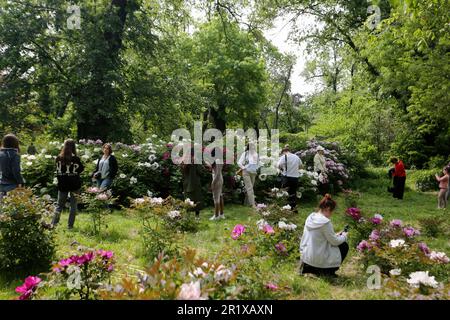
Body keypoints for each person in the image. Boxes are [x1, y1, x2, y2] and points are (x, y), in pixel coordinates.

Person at [299, 194, 349, 277]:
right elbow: (334, 242)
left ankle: (309, 269)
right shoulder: (325, 222)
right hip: (317, 259)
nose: (331, 214)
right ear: (328, 209)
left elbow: (319, 236)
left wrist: (335, 234)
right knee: (344, 246)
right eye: (332, 211)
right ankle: (328, 272)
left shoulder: (311, 217)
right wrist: (344, 236)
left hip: (306, 256)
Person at [53, 139, 84, 229]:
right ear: (73, 147)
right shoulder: (76, 159)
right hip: (74, 185)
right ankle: (70, 226)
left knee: (59, 206)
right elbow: (81, 169)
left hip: (62, 185)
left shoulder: (59, 158)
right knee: (73, 206)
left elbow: (57, 170)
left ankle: (54, 224)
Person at [278, 145, 302, 213]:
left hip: (287, 177)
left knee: (285, 193)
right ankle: (294, 209)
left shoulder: (284, 156)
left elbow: (278, 165)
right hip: (295, 177)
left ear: (284, 152)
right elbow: (301, 166)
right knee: (293, 193)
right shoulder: (296, 157)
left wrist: (283, 169)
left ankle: (286, 208)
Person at [0, 134, 25, 200]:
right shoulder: (15, 155)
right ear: (15, 143)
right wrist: (21, 182)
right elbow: (16, 171)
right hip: (11, 185)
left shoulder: (1, 154)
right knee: (12, 206)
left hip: (1, 183)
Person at [181, 149, 203, 218]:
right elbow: (200, 172)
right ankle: (193, 215)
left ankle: (192, 215)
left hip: (191, 183)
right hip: (192, 183)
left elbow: (200, 172)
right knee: (192, 199)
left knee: (192, 199)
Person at [237, 143, 259, 207]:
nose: (252, 148)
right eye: (251, 146)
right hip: (246, 172)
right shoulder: (245, 153)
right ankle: (253, 205)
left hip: (253, 172)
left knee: (250, 188)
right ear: (248, 147)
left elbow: (258, 163)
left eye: (253, 146)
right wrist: (244, 168)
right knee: (250, 188)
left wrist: (256, 168)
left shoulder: (256, 154)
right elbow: (239, 163)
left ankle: (246, 203)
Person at [206, 148, 224, 221]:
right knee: (220, 196)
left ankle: (216, 216)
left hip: (217, 180)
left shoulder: (217, 161)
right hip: (220, 180)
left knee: (216, 198)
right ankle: (221, 214)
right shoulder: (219, 160)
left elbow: (217, 174)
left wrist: (213, 183)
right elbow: (216, 170)